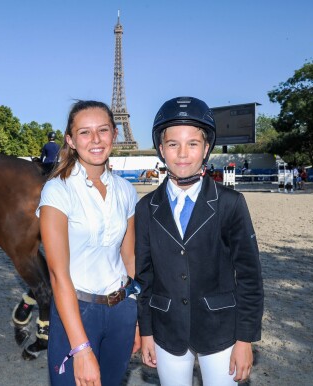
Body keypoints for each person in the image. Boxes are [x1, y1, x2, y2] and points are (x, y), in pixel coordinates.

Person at [135, 96, 264, 385]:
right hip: (167, 329)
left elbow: (249, 276)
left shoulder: (230, 203)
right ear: (161, 149)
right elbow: (144, 277)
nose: (182, 153)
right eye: (173, 144)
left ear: (206, 148)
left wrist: (245, 339)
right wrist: (146, 331)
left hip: (220, 329)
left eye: (192, 144)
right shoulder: (146, 208)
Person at [38, 100, 140, 386]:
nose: (95, 140)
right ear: (70, 140)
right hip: (77, 312)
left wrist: (137, 320)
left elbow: (129, 258)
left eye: (103, 130)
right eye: (84, 132)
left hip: (122, 311)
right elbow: (58, 276)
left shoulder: (126, 190)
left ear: (115, 134)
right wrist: (81, 348)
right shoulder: (57, 190)